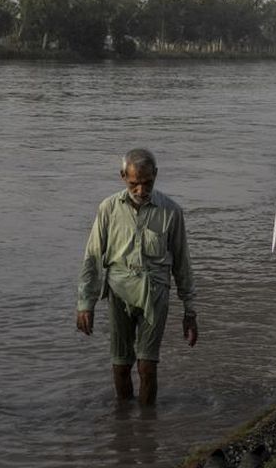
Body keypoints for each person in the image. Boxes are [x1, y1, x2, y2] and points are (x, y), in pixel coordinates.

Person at [75, 149, 198, 405]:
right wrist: (86, 303)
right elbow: (93, 257)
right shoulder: (108, 209)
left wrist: (190, 311)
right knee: (120, 365)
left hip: (155, 293)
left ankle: (147, 423)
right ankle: (125, 428)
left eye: (147, 183)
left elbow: (182, 264)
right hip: (119, 292)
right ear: (123, 177)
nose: (141, 191)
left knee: (147, 366)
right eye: (134, 184)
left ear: (155, 175)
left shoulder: (171, 212)